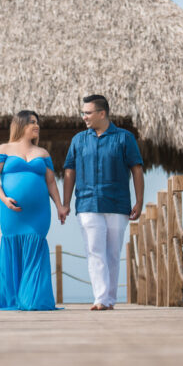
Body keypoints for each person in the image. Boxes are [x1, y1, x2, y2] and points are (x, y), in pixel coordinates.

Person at [60, 95, 144, 310]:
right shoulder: (78, 140)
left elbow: (136, 169)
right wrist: (66, 202)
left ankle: (109, 299)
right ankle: (101, 298)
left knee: (113, 253)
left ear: (102, 113)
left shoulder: (125, 138)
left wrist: (139, 200)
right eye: (83, 112)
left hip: (117, 204)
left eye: (87, 112)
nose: (84, 117)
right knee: (94, 251)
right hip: (87, 204)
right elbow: (70, 171)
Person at [0, 110, 70, 310]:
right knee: (12, 246)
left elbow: (51, 182)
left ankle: (32, 299)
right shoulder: (4, 148)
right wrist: (4, 198)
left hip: (39, 212)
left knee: (35, 247)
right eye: (32, 122)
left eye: (37, 122)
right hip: (11, 210)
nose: (36, 126)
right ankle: (13, 299)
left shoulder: (43, 153)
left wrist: (59, 206)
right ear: (20, 124)